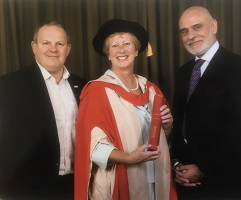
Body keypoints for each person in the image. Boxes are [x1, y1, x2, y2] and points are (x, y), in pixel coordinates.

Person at [75, 19, 178, 200]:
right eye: (114, 46)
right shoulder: (97, 92)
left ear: (136, 50)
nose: (121, 50)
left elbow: (162, 139)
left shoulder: (152, 90)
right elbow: (93, 147)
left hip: (156, 177)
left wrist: (167, 126)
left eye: (127, 44)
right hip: (118, 178)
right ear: (108, 54)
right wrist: (129, 158)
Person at [170, 6, 241, 200]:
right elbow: (178, 123)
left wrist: (203, 167)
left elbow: (240, 129)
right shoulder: (183, 72)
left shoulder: (239, 67)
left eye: (197, 27)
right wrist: (176, 164)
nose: (191, 36)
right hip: (187, 181)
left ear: (214, 26)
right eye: (184, 31)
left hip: (226, 180)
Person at [0, 21, 86, 199]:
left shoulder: (84, 87)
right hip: (28, 188)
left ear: (68, 49)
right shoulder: (8, 85)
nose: (53, 49)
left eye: (59, 44)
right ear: (34, 47)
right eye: (46, 43)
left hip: (75, 184)